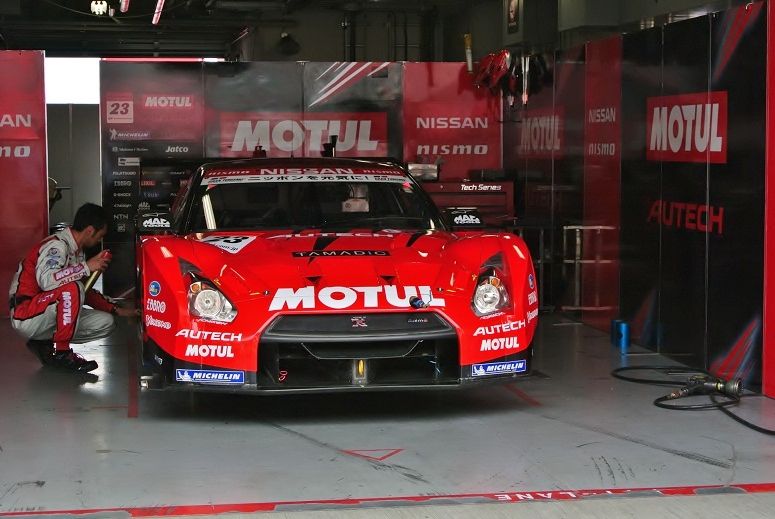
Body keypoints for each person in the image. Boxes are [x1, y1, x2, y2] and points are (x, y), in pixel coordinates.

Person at [9, 203, 136, 372]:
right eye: (100, 236)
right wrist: (85, 267)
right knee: (71, 288)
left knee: (106, 322)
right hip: (26, 314)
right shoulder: (57, 246)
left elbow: (84, 290)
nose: (100, 241)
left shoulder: (78, 251)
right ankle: (62, 353)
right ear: (90, 230)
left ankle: (43, 341)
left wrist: (116, 310)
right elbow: (47, 281)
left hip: (45, 310)